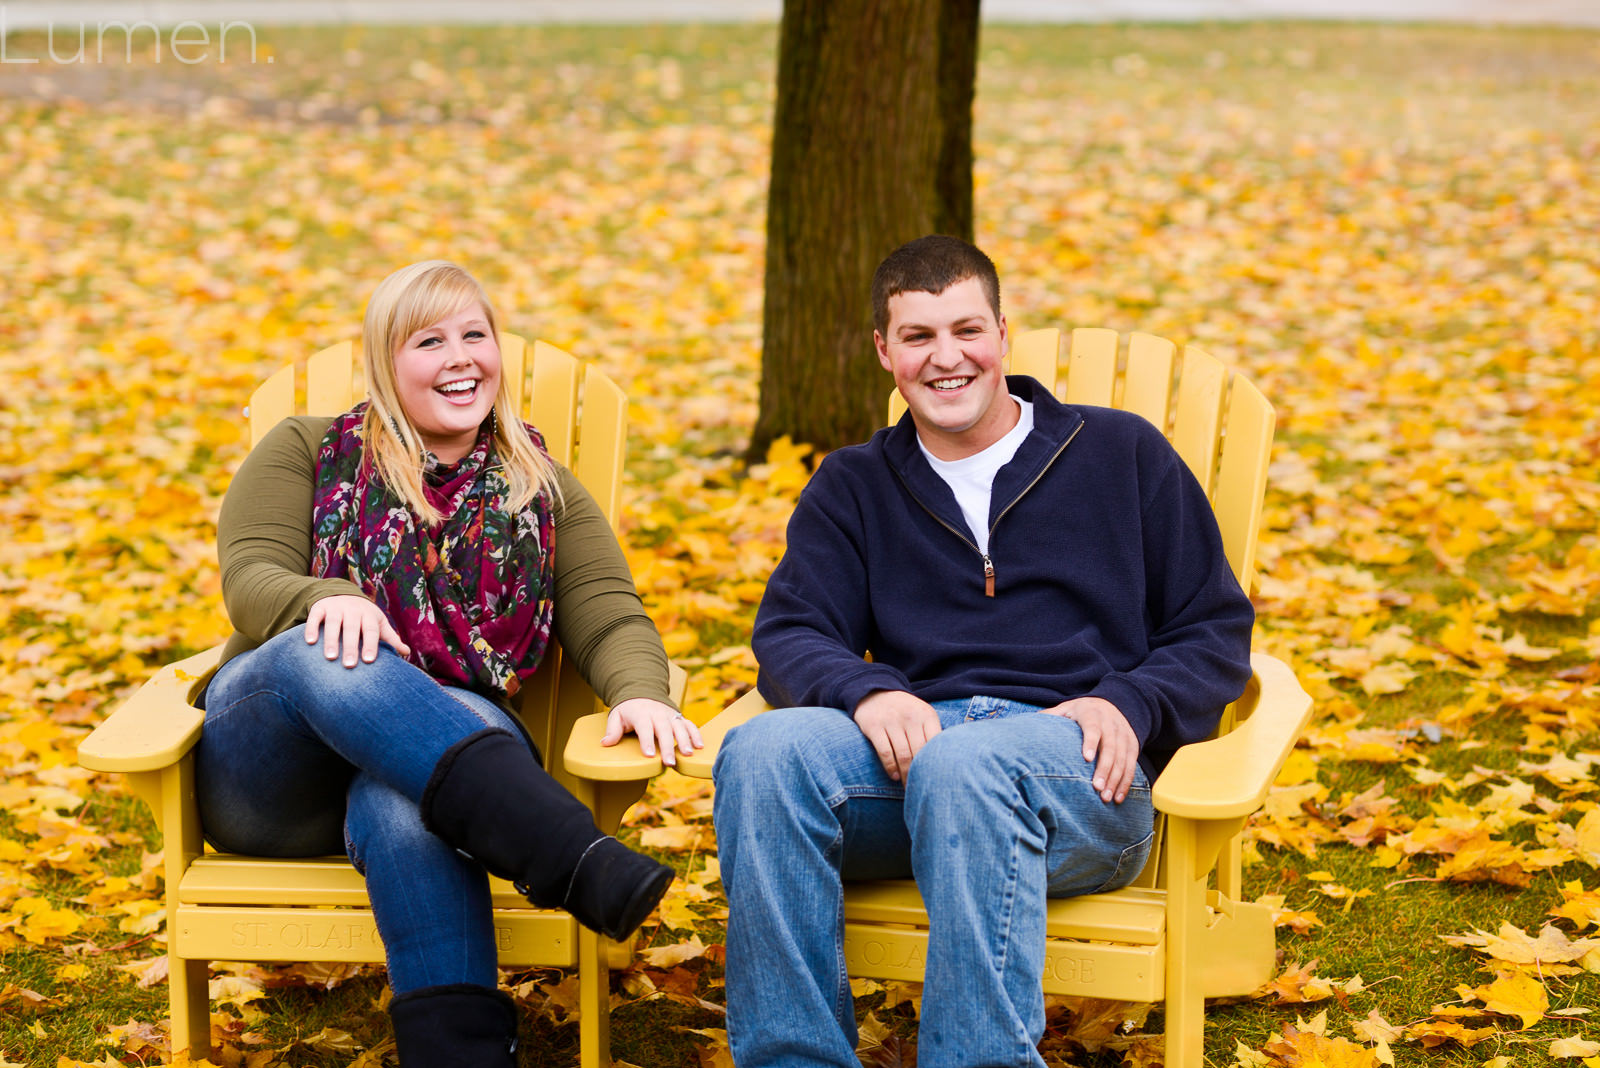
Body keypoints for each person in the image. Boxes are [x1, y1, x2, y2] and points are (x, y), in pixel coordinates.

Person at [712, 235, 1255, 1068]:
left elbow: (1214, 630)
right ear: (884, 352)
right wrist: (868, 693)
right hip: (916, 759)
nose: (946, 357)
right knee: (761, 753)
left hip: (1079, 777)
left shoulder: (1121, 454)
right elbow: (791, 631)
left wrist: (1128, 702)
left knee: (967, 766)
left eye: (966, 330)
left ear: (1002, 333)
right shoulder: (853, 485)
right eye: (919, 336)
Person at [195, 260, 702, 1066]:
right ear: (385, 364)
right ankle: (566, 855)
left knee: (407, 804)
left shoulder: (541, 487)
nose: (461, 357)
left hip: (435, 762)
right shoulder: (306, 451)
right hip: (274, 767)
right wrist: (331, 597)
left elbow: (608, 612)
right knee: (326, 646)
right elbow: (251, 577)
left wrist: (640, 691)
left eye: (476, 334)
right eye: (430, 340)